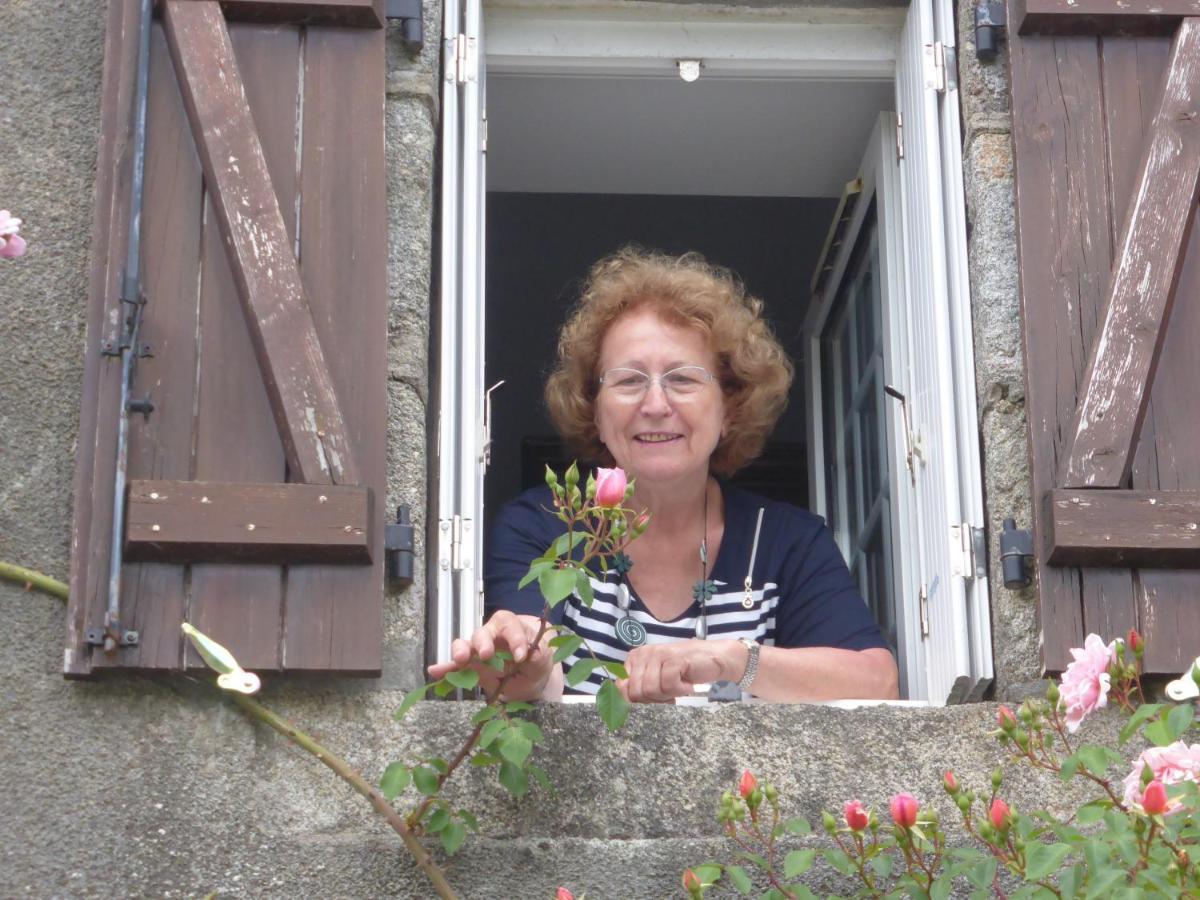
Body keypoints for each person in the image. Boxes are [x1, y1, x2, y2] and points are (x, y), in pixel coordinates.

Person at [429, 248, 899, 703]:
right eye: (629, 380)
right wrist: (522, 663)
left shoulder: (785, 541)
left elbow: (875, 682)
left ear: (730, 408)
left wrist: (731, 660)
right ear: (595, 410)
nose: (655, 405)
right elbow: (534, 671)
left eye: (683, 379)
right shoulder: (545, 526)